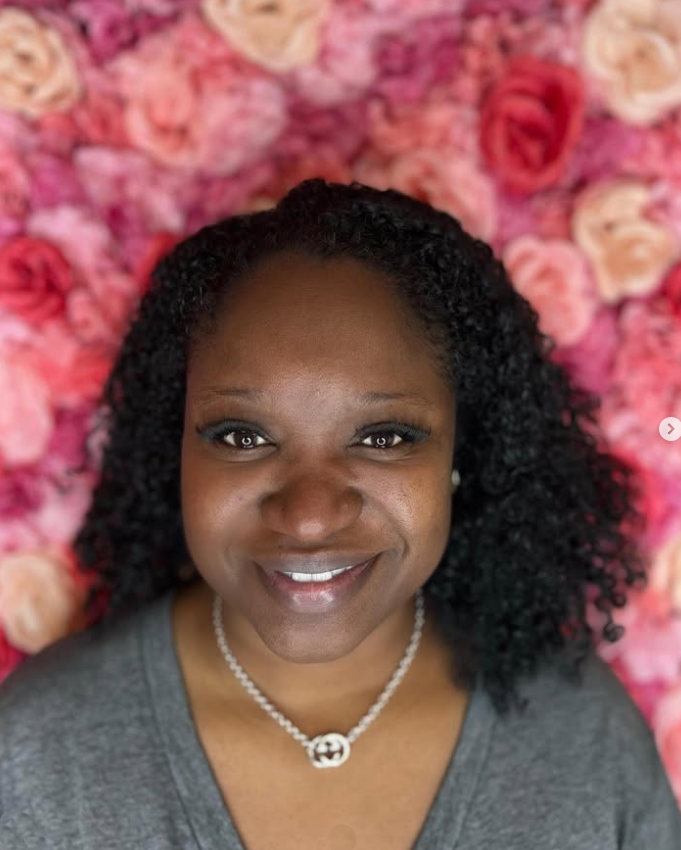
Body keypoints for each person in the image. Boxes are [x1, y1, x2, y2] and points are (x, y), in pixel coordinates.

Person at [0, 178, 679, 850]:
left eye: (384, 438)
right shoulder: (39, 754)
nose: (308, 516)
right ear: (175, 449)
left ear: (460, 453)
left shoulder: (579, 741)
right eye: (241, 436)